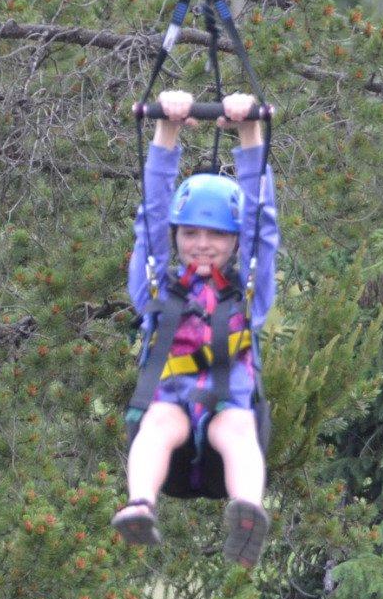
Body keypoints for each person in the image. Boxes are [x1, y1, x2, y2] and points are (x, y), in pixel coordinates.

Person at [111, 88, 277, 565]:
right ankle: (140, 504)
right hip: (171, 400)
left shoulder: (248, 291)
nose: (202, 245)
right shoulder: (156, 288)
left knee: (239, 431)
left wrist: (250, 133)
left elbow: (263, 224)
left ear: (234, 240)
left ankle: (247, 510)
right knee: (158, 425)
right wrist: (166, 130)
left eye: (217, 235)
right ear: (177, 236)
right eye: (191, 234)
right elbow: (152, 214)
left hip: (231, 399)